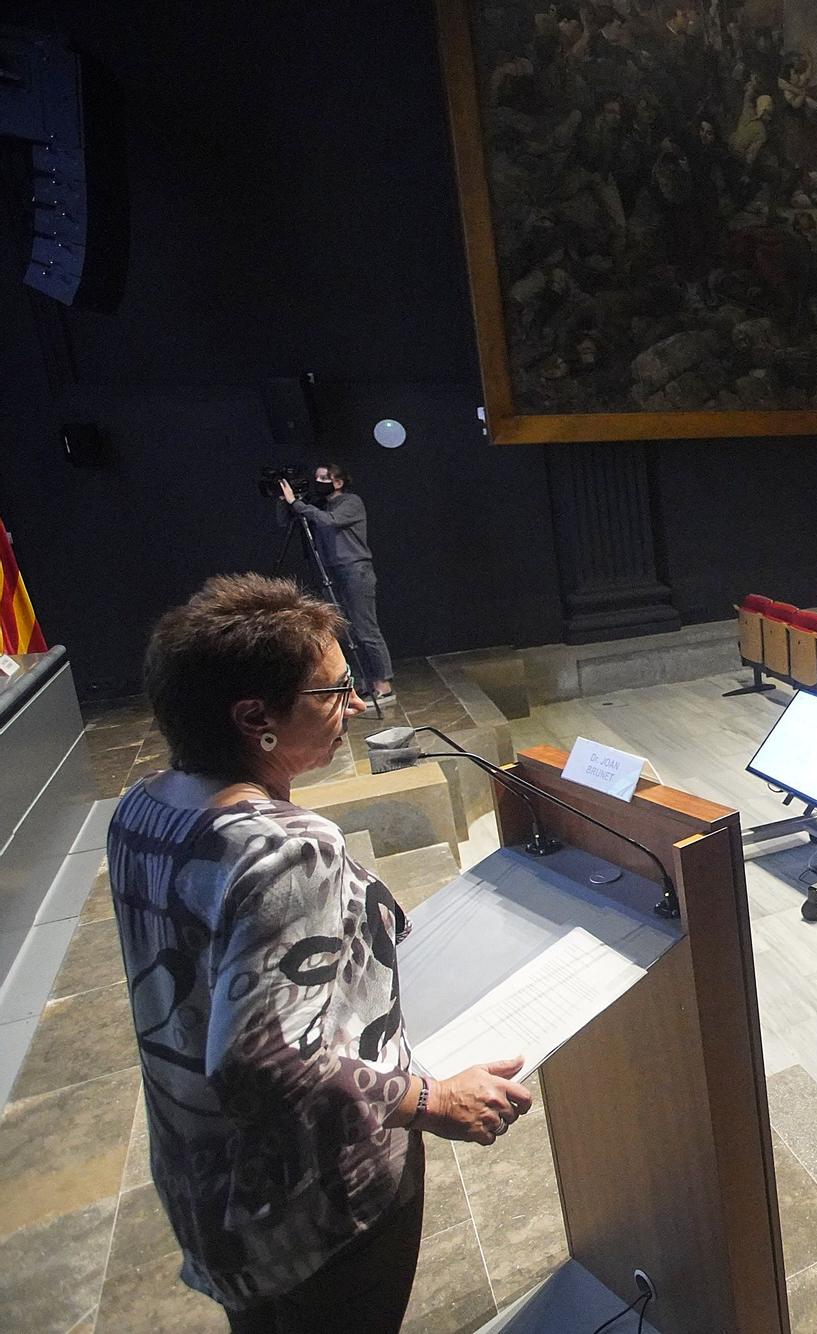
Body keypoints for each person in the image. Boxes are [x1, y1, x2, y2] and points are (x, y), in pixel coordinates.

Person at [108, 575, 530, 1331]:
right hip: (313, 1205)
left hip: (210, 1187)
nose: (357, 705)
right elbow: (261, 1064)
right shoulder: (286, 849)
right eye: (335, 690)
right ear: (254, 719)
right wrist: (433, 1101)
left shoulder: (141, 809)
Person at [278, 466, 393, 704]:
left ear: (338, 482)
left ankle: (383, 684)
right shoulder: (320, 505)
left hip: (355, 570)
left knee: (365, 629)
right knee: (343, 630)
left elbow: (329, 522)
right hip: (332, 571)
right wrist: (285, 502)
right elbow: (285, 522)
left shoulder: (350, 502)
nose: (317, 481)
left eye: (324, 478)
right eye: (316, 478)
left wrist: (297, 503)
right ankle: (362, 682)